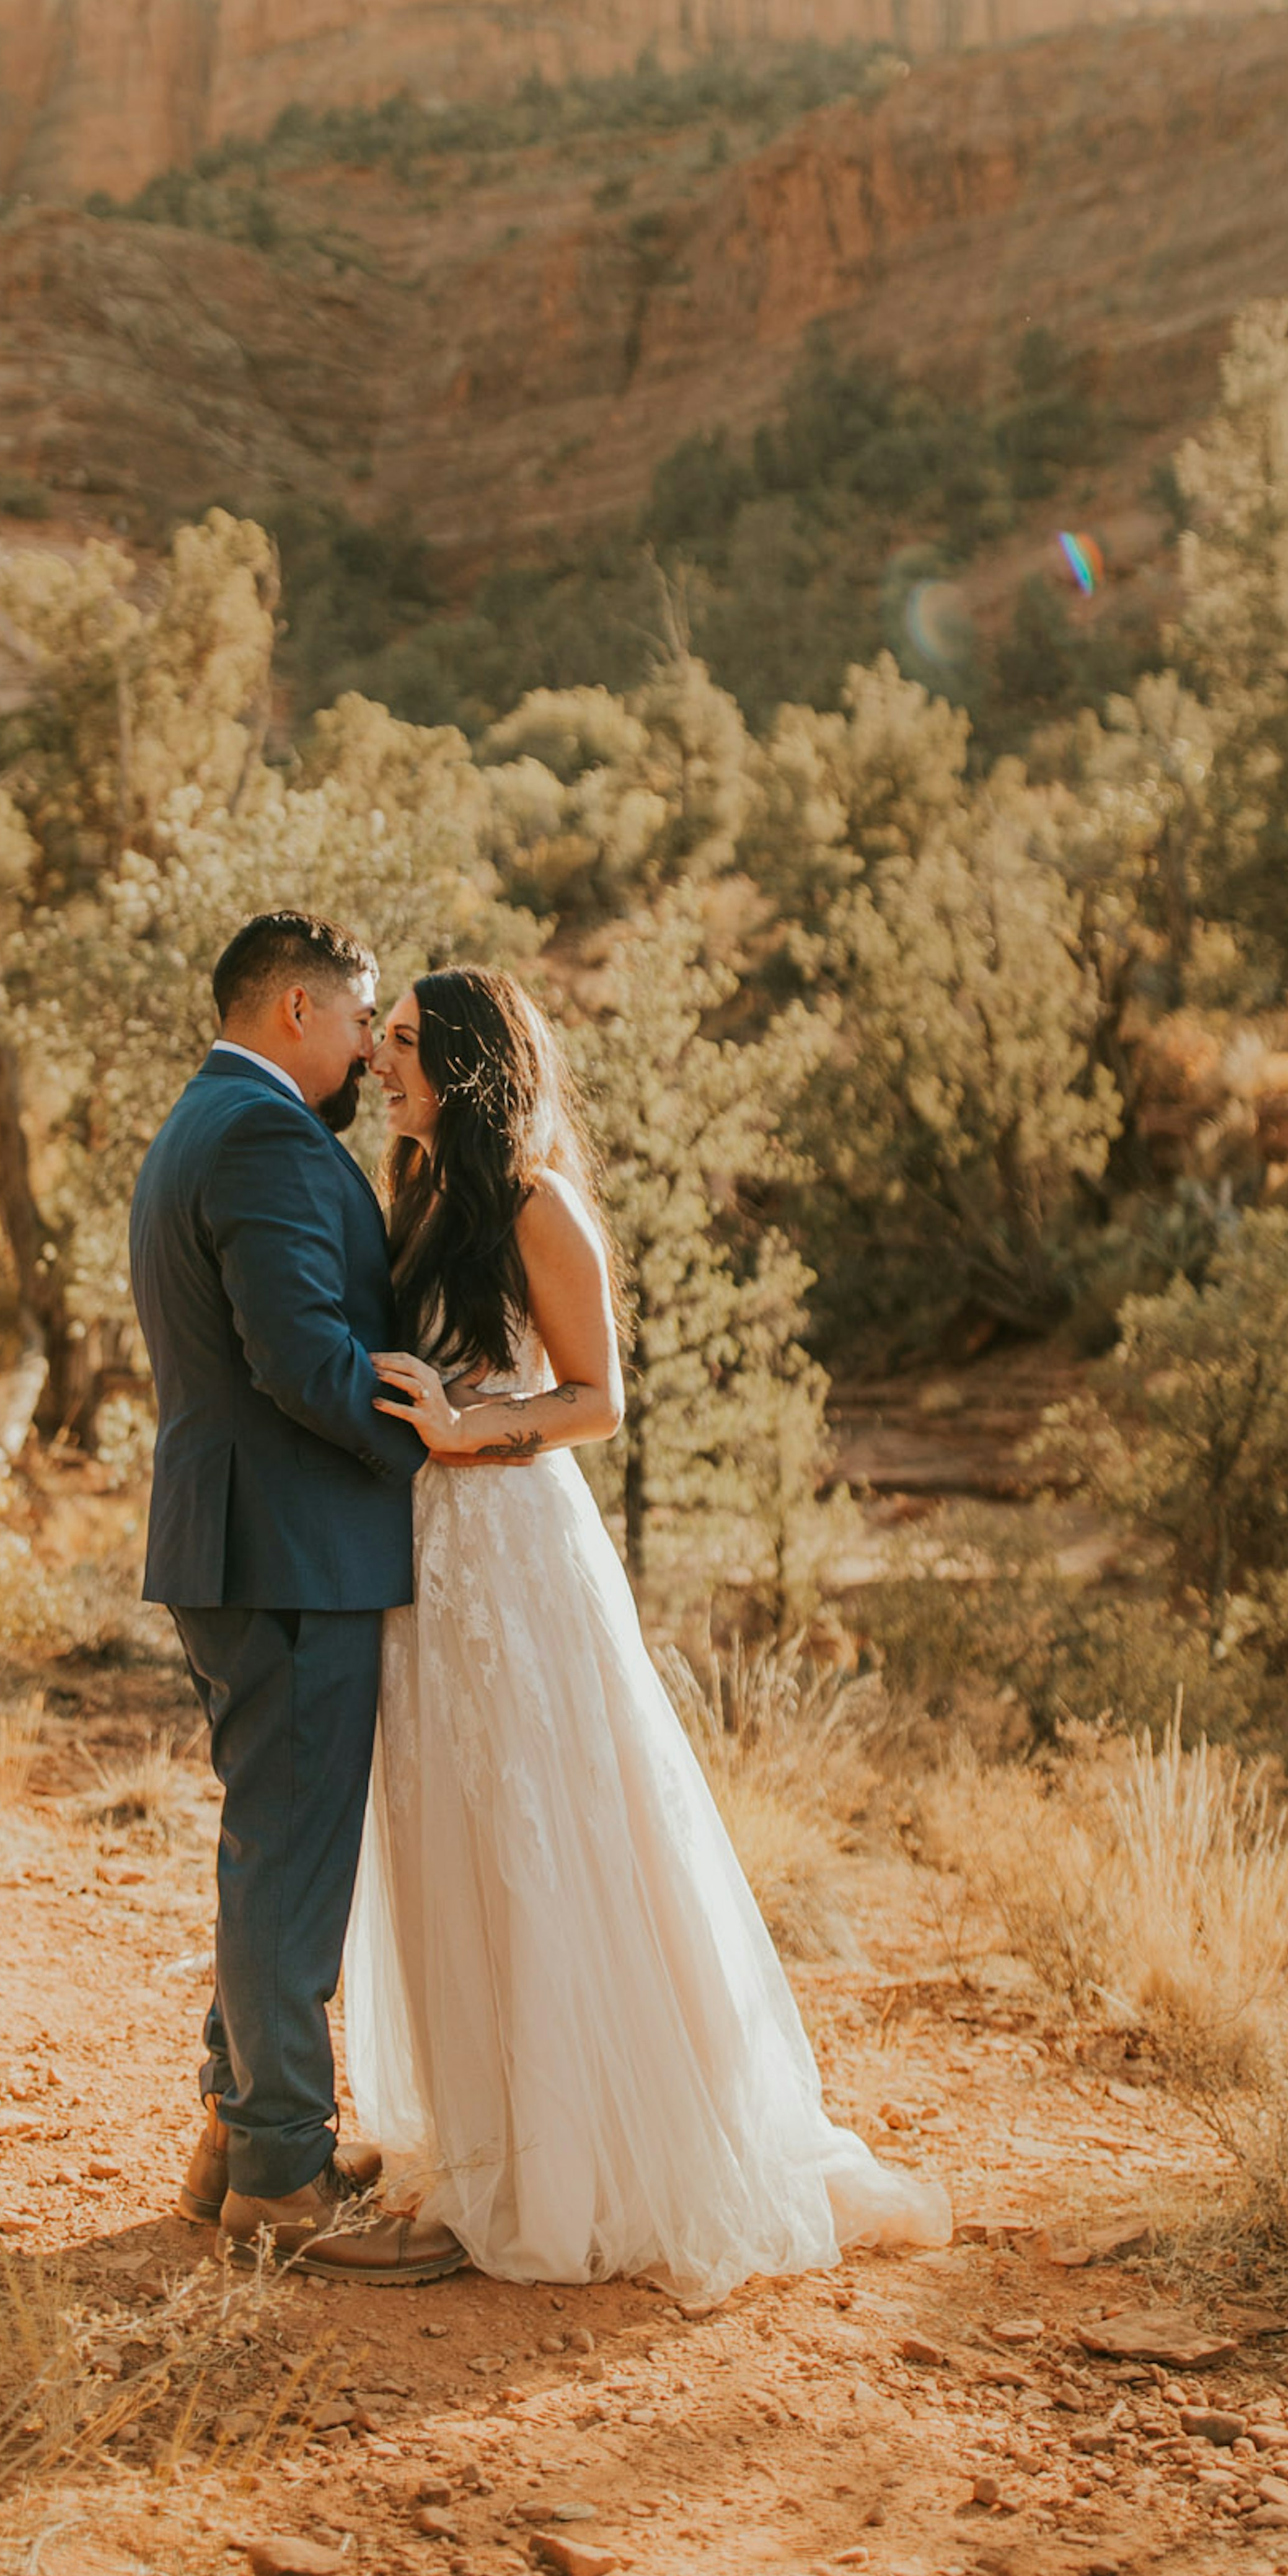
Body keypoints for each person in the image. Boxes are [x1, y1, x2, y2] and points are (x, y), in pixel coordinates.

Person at [345, 964, 952, 2307]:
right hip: (428, 1561)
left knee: (544, 1832)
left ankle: (565, 2171)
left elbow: (597, 1400)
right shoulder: (418, 1190)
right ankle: (492, 2139)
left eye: (403, 1043)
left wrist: (464, 1429)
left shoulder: (537, 1202)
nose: (380, 1062)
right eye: (378, 1040)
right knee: (454, 1835)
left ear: (465, 1064)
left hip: (516, 1554)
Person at [130, 909, 465, 2286]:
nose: (370, 1047)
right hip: (288, 1551)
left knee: (273, 1843)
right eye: (360, 1017)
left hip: (245, 1543)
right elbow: (299, 1356)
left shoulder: (205, 1121)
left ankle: (236, 2133)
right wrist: (439, 1453)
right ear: (295, 1012)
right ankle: (281, 2175)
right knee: (289, 1856)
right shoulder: (264, 1135)